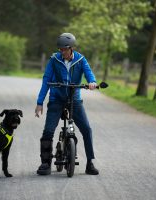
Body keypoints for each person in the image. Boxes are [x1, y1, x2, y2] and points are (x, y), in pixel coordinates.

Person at [35, 33, 99, 175]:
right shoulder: (54, 60)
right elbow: (46, 80)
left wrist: (92, 82)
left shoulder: (81, 60)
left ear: (71, 48)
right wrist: (40, 102)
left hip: (74, 99)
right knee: (48, 131)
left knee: (87, 129)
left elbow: (89, 73)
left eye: (64, 49)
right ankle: (45, 163)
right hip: (56, 98)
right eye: (60, 49)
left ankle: (90, 163)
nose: (61, 51)